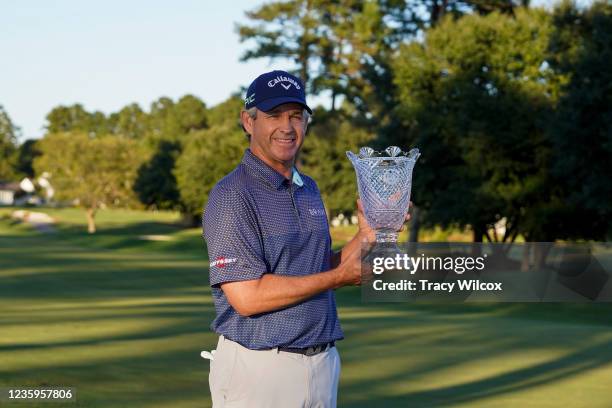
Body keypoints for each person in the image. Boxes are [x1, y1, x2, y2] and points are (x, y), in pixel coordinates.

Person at [203, 70, 409, 407]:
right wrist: (341, 277)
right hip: (261, 368)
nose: (287, 126)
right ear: (248, 122)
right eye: (274, 116)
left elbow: (314, 268)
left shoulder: (308, 187)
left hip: (323, 362)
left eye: (295, 116)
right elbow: (247, 297)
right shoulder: (232, 195)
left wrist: (367, 235)